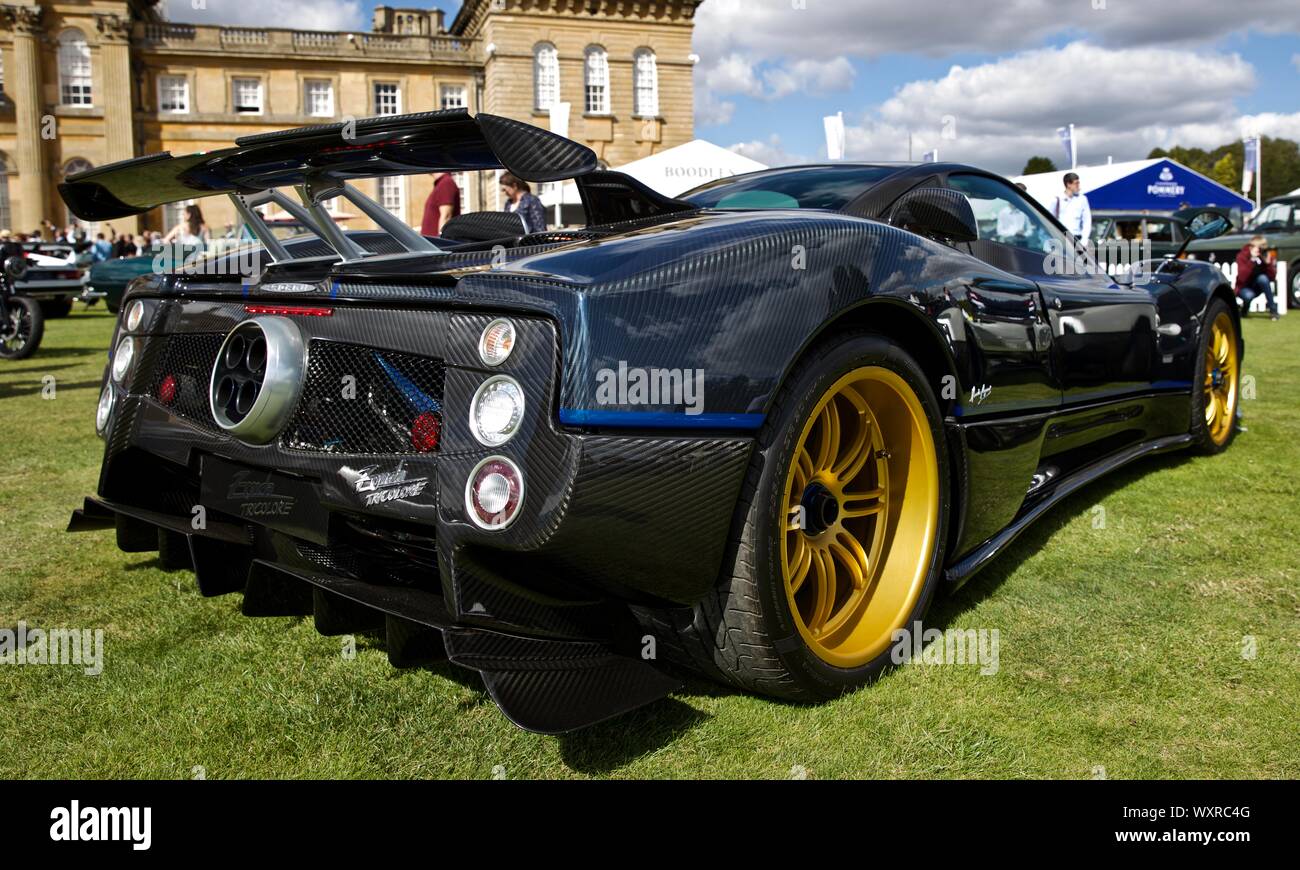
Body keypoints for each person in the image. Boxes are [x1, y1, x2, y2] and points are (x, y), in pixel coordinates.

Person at [1235, 235, 1279, 320]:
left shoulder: (1264, 256)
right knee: (1248, 295)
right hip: (1244, 287)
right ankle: (1244, 310)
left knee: (1262, 278)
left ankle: (1273, 311)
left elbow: (1272, 278)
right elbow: (1242, 277)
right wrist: (1252, 260)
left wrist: (1268, 264)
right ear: (1252, 247)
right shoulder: (1242, 256)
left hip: (1258, 287)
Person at [1053, 172, 1092, 241]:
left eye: (1078, 183)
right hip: (1061, 237)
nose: (1078, 185)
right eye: (1076, 183)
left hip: (1077, 238)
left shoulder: (1082, 199)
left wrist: (1084, 240)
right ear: (1068, 184)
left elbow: (1087, 220)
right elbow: (1050, 218)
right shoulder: (1057, 199)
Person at [421, 172, 461, 237]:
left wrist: (441, 240)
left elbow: (446, 216)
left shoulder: (446, 183)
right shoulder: (442, 183)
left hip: (436, 244)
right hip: (431, 243)